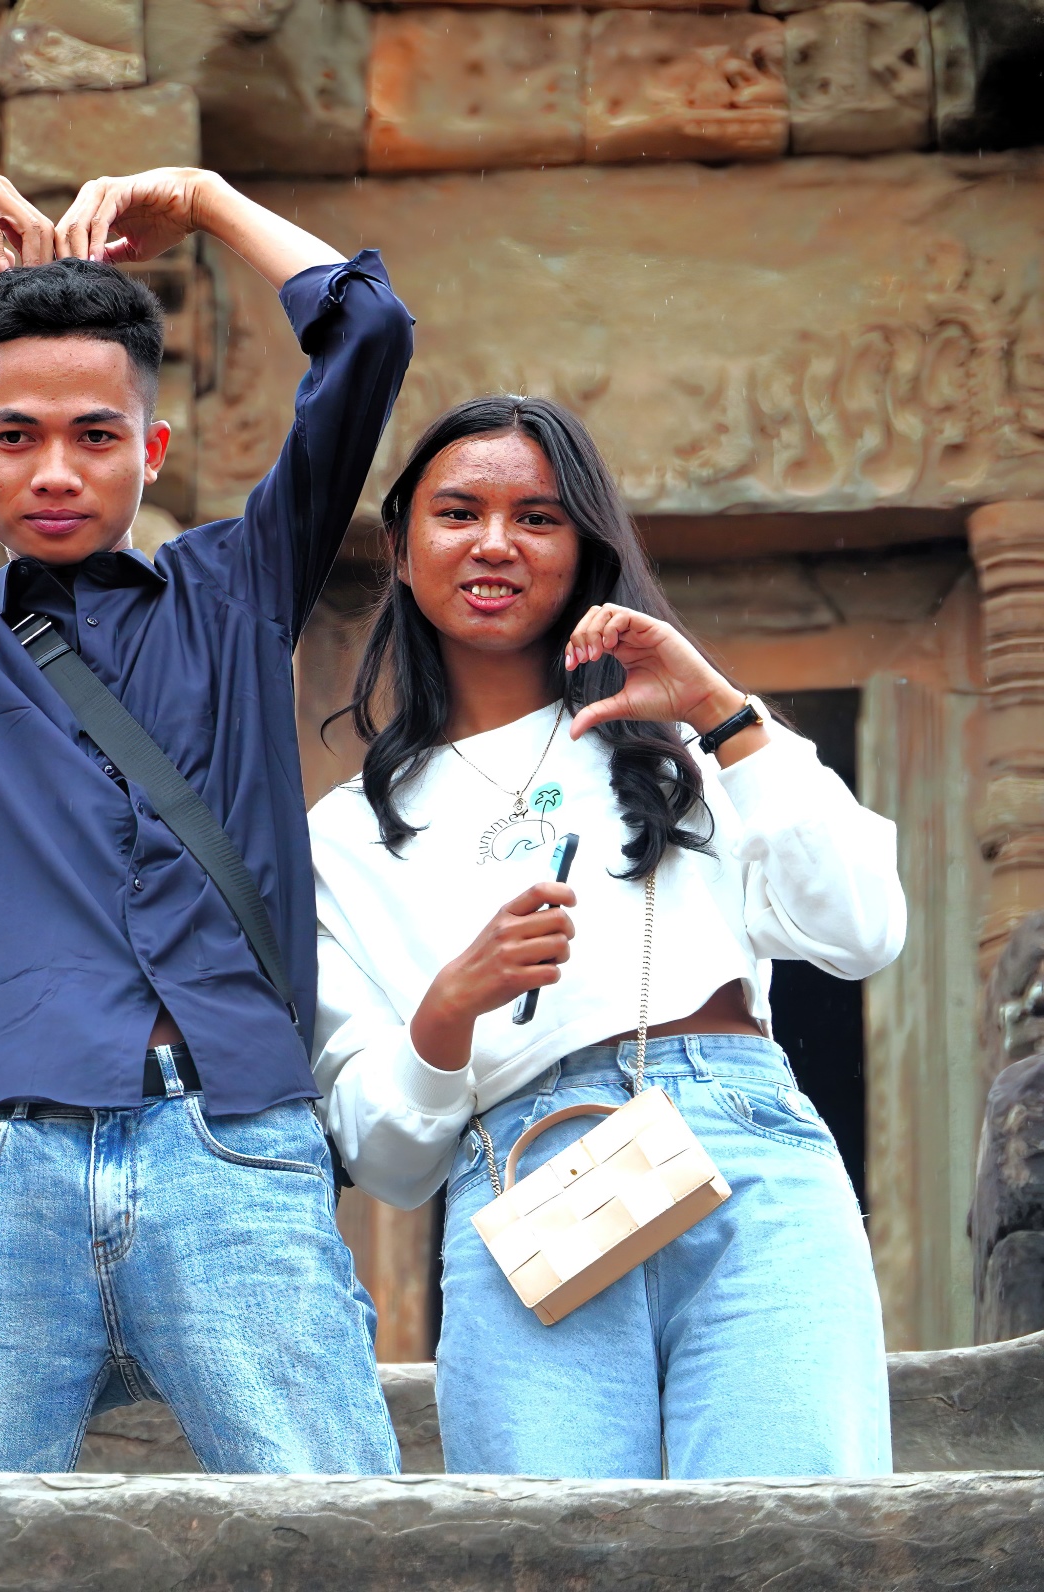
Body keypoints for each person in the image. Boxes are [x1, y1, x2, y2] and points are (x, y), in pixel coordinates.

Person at [0, 158, 415, 1474]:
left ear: (151, 449)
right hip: (8, 1160)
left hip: (235, 1146)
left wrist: (210, 202)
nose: (57, 468)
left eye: (96, 434)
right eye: (16, 435)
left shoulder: (238, 588)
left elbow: (367, 332)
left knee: (346, 1544)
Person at [310, 394, 903, 1478]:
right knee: (561, 1556)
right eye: (458, 512)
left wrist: (726, 712)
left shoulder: (686, 735)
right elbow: (388, 1160)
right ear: (400, 547)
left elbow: (865, 927)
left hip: (746, 1147)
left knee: (794, 1543)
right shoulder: (342, 835)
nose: (495, 542)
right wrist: (451, 1004)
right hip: (527, 1172)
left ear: (583, 547)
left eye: (537, 516)